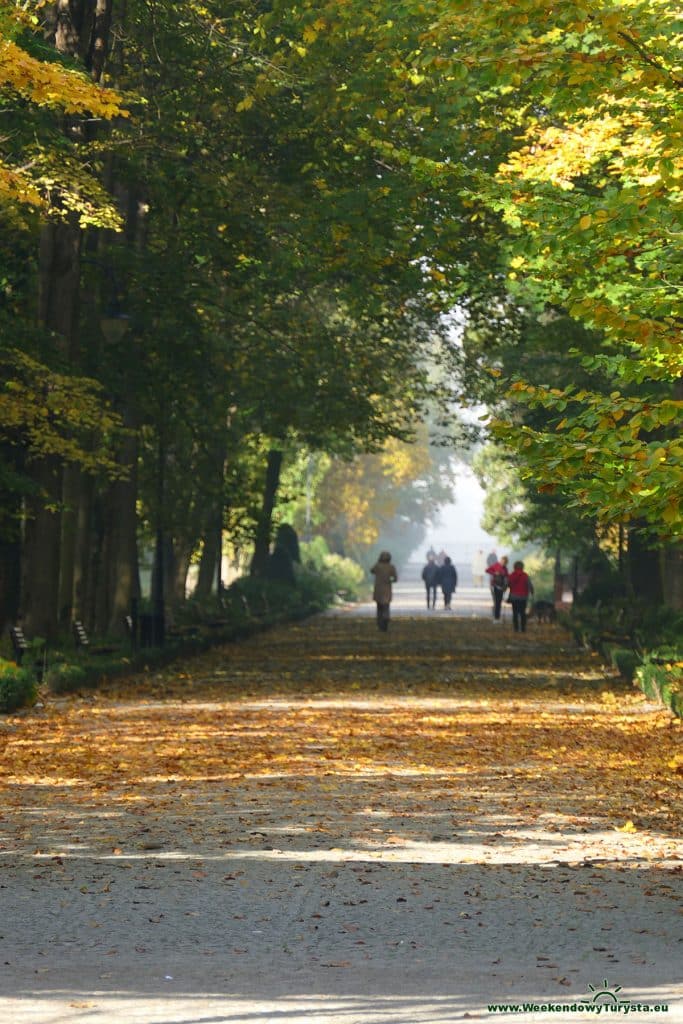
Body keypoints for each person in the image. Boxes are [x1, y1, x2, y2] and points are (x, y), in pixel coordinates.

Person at [371, 550, 397, 631]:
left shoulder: (377, 566)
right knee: (386, 607)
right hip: (387, 591)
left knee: (379, 608)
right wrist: (390, 580)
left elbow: (371, 570)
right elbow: (395, 578)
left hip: (378, 590)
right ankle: (385, 619)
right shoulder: (391, 567)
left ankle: (380, 623)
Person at [507, 560, 534, 633]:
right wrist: (532, 592)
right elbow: (530, 585)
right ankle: (523, 629)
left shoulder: (511, 575)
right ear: (522, 567)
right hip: (523, 597)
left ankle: (516, 629)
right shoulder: (525, 575)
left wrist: (504, 589)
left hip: (514, 597)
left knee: (515, 613)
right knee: (522, 613)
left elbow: (507, 584)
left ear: (514, 567)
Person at [486, 555, 509, 622]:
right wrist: (494, 573)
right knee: (497, 602)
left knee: (499, 602)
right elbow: (487, 570)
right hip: (494, 586)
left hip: (501, 587)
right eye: (502, 561)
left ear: (506, 563)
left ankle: (497, 616)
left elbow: (507, 577)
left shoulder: (505, 568)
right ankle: (496, 617)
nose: (502, 563)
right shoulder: (496, 565)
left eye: (504, 562)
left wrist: (506, 585)